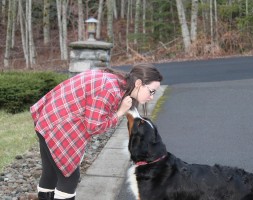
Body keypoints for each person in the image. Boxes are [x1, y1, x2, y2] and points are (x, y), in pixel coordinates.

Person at [30, 63, 163, 200]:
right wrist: (119, 113)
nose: (151, 97)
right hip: (57, 125)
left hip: (47, 117)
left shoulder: (117, 81)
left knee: (50, 173)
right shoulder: (110, 89)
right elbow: (94, 126)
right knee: (69, 178)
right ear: (139, 83)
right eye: (151, 91)